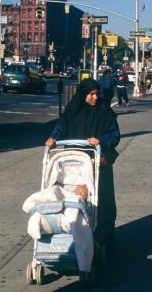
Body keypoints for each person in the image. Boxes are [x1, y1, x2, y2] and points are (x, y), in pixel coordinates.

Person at [45, 79, 121, 254]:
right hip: (75, 164)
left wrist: (101, 140)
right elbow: (60, 127)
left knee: (103, 201)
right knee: (75, 199)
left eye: (97, 94)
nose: (95, 97)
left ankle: (103, 238)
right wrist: (53, 139)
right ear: (83, 94)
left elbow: (115, 135)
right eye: (91, 94)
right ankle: (74, 233)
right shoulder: (72, 111)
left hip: (98, 163)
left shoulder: (105, 112)